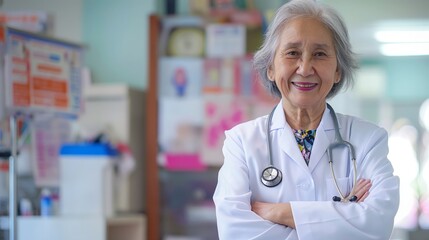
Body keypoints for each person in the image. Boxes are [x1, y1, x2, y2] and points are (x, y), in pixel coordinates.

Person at [212, 0, 400, 239]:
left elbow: (377, 224)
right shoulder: (241, 142)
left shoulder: (368, 139)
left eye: (320, 54)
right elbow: (234, 231)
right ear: (271, 67)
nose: (305, 68)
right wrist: (342, 216)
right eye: (292, 53)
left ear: (337, 70)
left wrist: (279, 212)